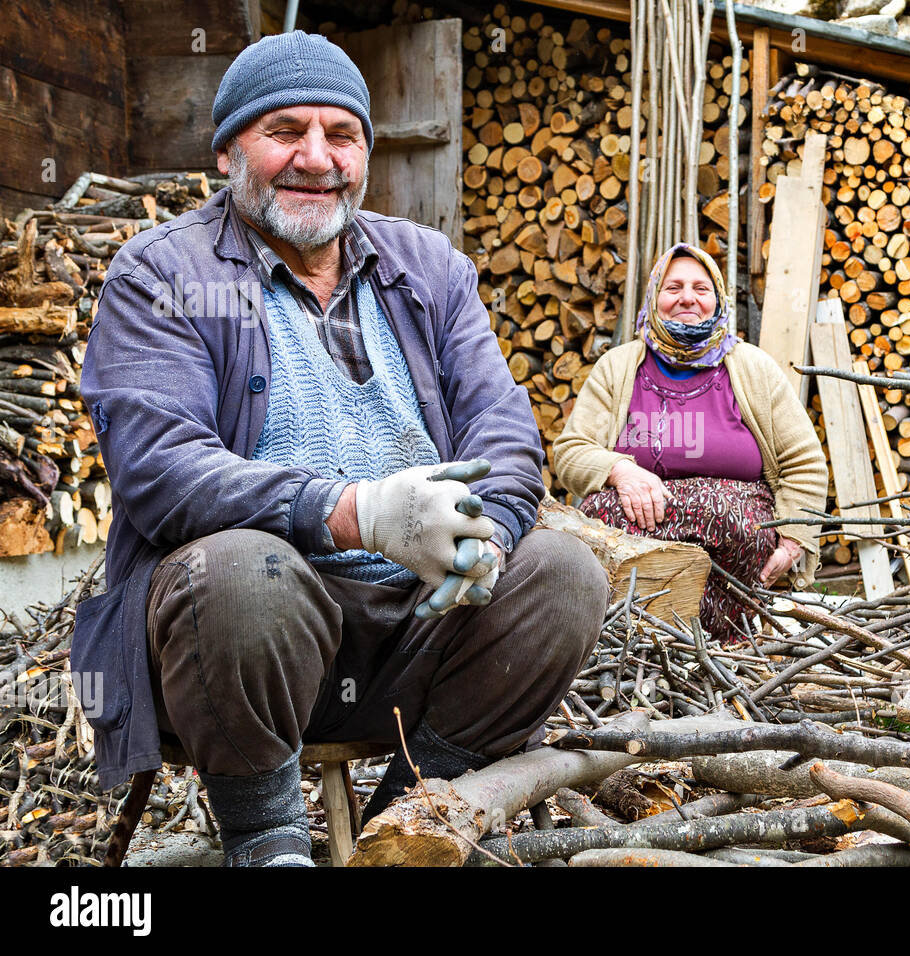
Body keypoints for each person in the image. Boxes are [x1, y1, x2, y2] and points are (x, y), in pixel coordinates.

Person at [70, 31, 608, 867]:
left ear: (365, 150)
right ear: (225, 151)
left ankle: (412, 816)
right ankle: (269, 839)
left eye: (341, 135)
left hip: (414, 631)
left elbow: (503, 427)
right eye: (284, 131)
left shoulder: (427, 265)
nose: (316, 159)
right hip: (242, 646)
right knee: (246, 572)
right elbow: (159, 466)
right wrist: (355, 511)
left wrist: (487, 534)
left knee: (565, 575)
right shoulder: (161, 274)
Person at [552, 244, 827, 640]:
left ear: (717, 299)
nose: (687, 298)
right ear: (654, 297)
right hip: (638, 530)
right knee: (597, 516)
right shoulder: (618, 366)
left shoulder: (752, 368)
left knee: (730, 517)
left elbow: (804, 461)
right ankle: (629, 642)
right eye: (673, 287)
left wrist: (794, 541)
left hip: (736, 543)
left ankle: (720, 647)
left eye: (701, 288)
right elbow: (571, 450)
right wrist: (621, 470)